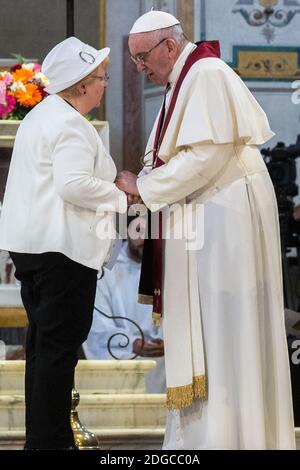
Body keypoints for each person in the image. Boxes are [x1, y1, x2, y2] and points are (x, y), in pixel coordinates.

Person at [115, 10, 296, 449]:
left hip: (224, 221)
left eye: (142, 58)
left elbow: (205, 158)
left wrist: (144, 186)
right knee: (209, 331)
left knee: (226, 330)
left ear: (169, 47)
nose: (140, 69)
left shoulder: (208, 74)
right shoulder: (184, 80)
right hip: (205, 217)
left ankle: (232, 438)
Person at [0, 37, 128, 450]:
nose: (105, 85)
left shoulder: (43, 115)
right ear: (81, 84)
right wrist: (122, 195)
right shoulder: (70, 123)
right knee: (58, 350)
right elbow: (72, 185)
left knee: (43, 348)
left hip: (36, 248)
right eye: (101, 78)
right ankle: (51, 443)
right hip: (63, 251)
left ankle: (42, 438)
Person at [83, 222, 166, 394]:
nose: (143, 240)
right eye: (138, 230)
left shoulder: (168, 267)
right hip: (122, 352)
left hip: (163, 356)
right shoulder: (106, 271)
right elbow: (96, 324)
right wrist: (133, 342)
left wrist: (167, 341)